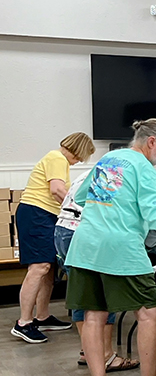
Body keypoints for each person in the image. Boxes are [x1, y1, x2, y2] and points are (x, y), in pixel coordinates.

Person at [65, 119, 156, 376]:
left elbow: (84, 195)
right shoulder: (143, 168)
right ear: (152, 142)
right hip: (120, 249)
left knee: (93, 315)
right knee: (148, 312)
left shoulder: (109, 158)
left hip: (85, 246)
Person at [11, 133, 95, 344]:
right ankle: (23, 323)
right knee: (39, 267)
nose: (79, 162)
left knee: (49, 267)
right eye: (81, 157)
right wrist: (81, 210)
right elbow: (57, 190)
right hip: (36, 214)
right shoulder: (57, 157)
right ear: (78, 150)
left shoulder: (58, 160)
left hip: (45, 215)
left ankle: (42, 316)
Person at [54, 165, 138, 372]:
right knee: (102, 295)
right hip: (84, 233)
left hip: (63, 230)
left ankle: (88, 352)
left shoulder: (91, 172)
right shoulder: (115, 176)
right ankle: (106, 355)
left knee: (81, 296)